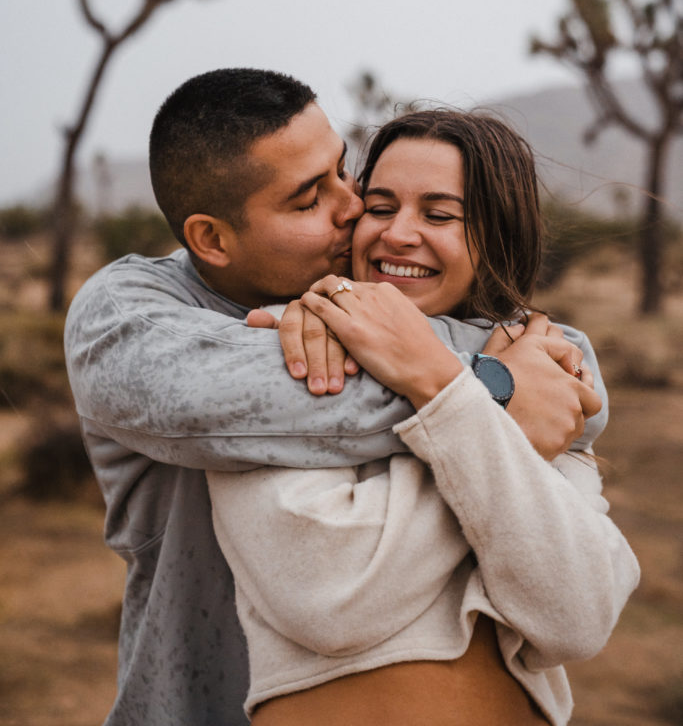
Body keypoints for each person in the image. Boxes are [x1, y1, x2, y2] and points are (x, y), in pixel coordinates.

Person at [65, 70, 607, 726]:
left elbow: (573, 380)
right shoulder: (132, 318)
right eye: (306, 200)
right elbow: (255, 403)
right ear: (211, 238)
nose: (352, 209)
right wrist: (496, 390)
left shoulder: (361, 307)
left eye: (342, 173)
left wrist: (495, 378)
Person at [206, 109, 640, 726]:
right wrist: (494, 413)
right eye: (379, 207)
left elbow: (578, 617)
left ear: (498, 236)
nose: (399, 234)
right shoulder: (291, 349)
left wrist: (450, 386)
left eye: (439, 215)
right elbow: (329, 597)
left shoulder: (536, 367)